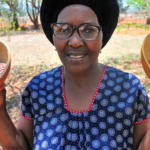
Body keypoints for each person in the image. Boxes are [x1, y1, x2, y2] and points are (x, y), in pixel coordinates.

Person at [0, 0, 150, 150]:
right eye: (63, 29)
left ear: (102, 37)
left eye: (89, 30)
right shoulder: (38, 88)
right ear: (54, 36)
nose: (75, 41)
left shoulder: (129, 89)